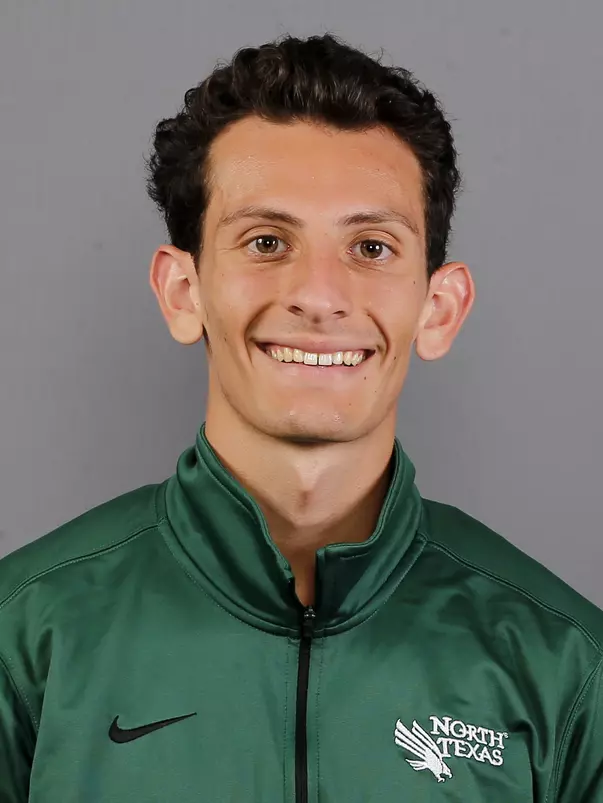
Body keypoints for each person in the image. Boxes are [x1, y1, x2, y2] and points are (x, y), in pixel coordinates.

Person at [0, 31, 601, 803]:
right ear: (182, 291)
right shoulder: (25, 640)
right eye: (265, 240)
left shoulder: (563, 662)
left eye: (372, 247)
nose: (318, 295)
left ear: (438, 306)